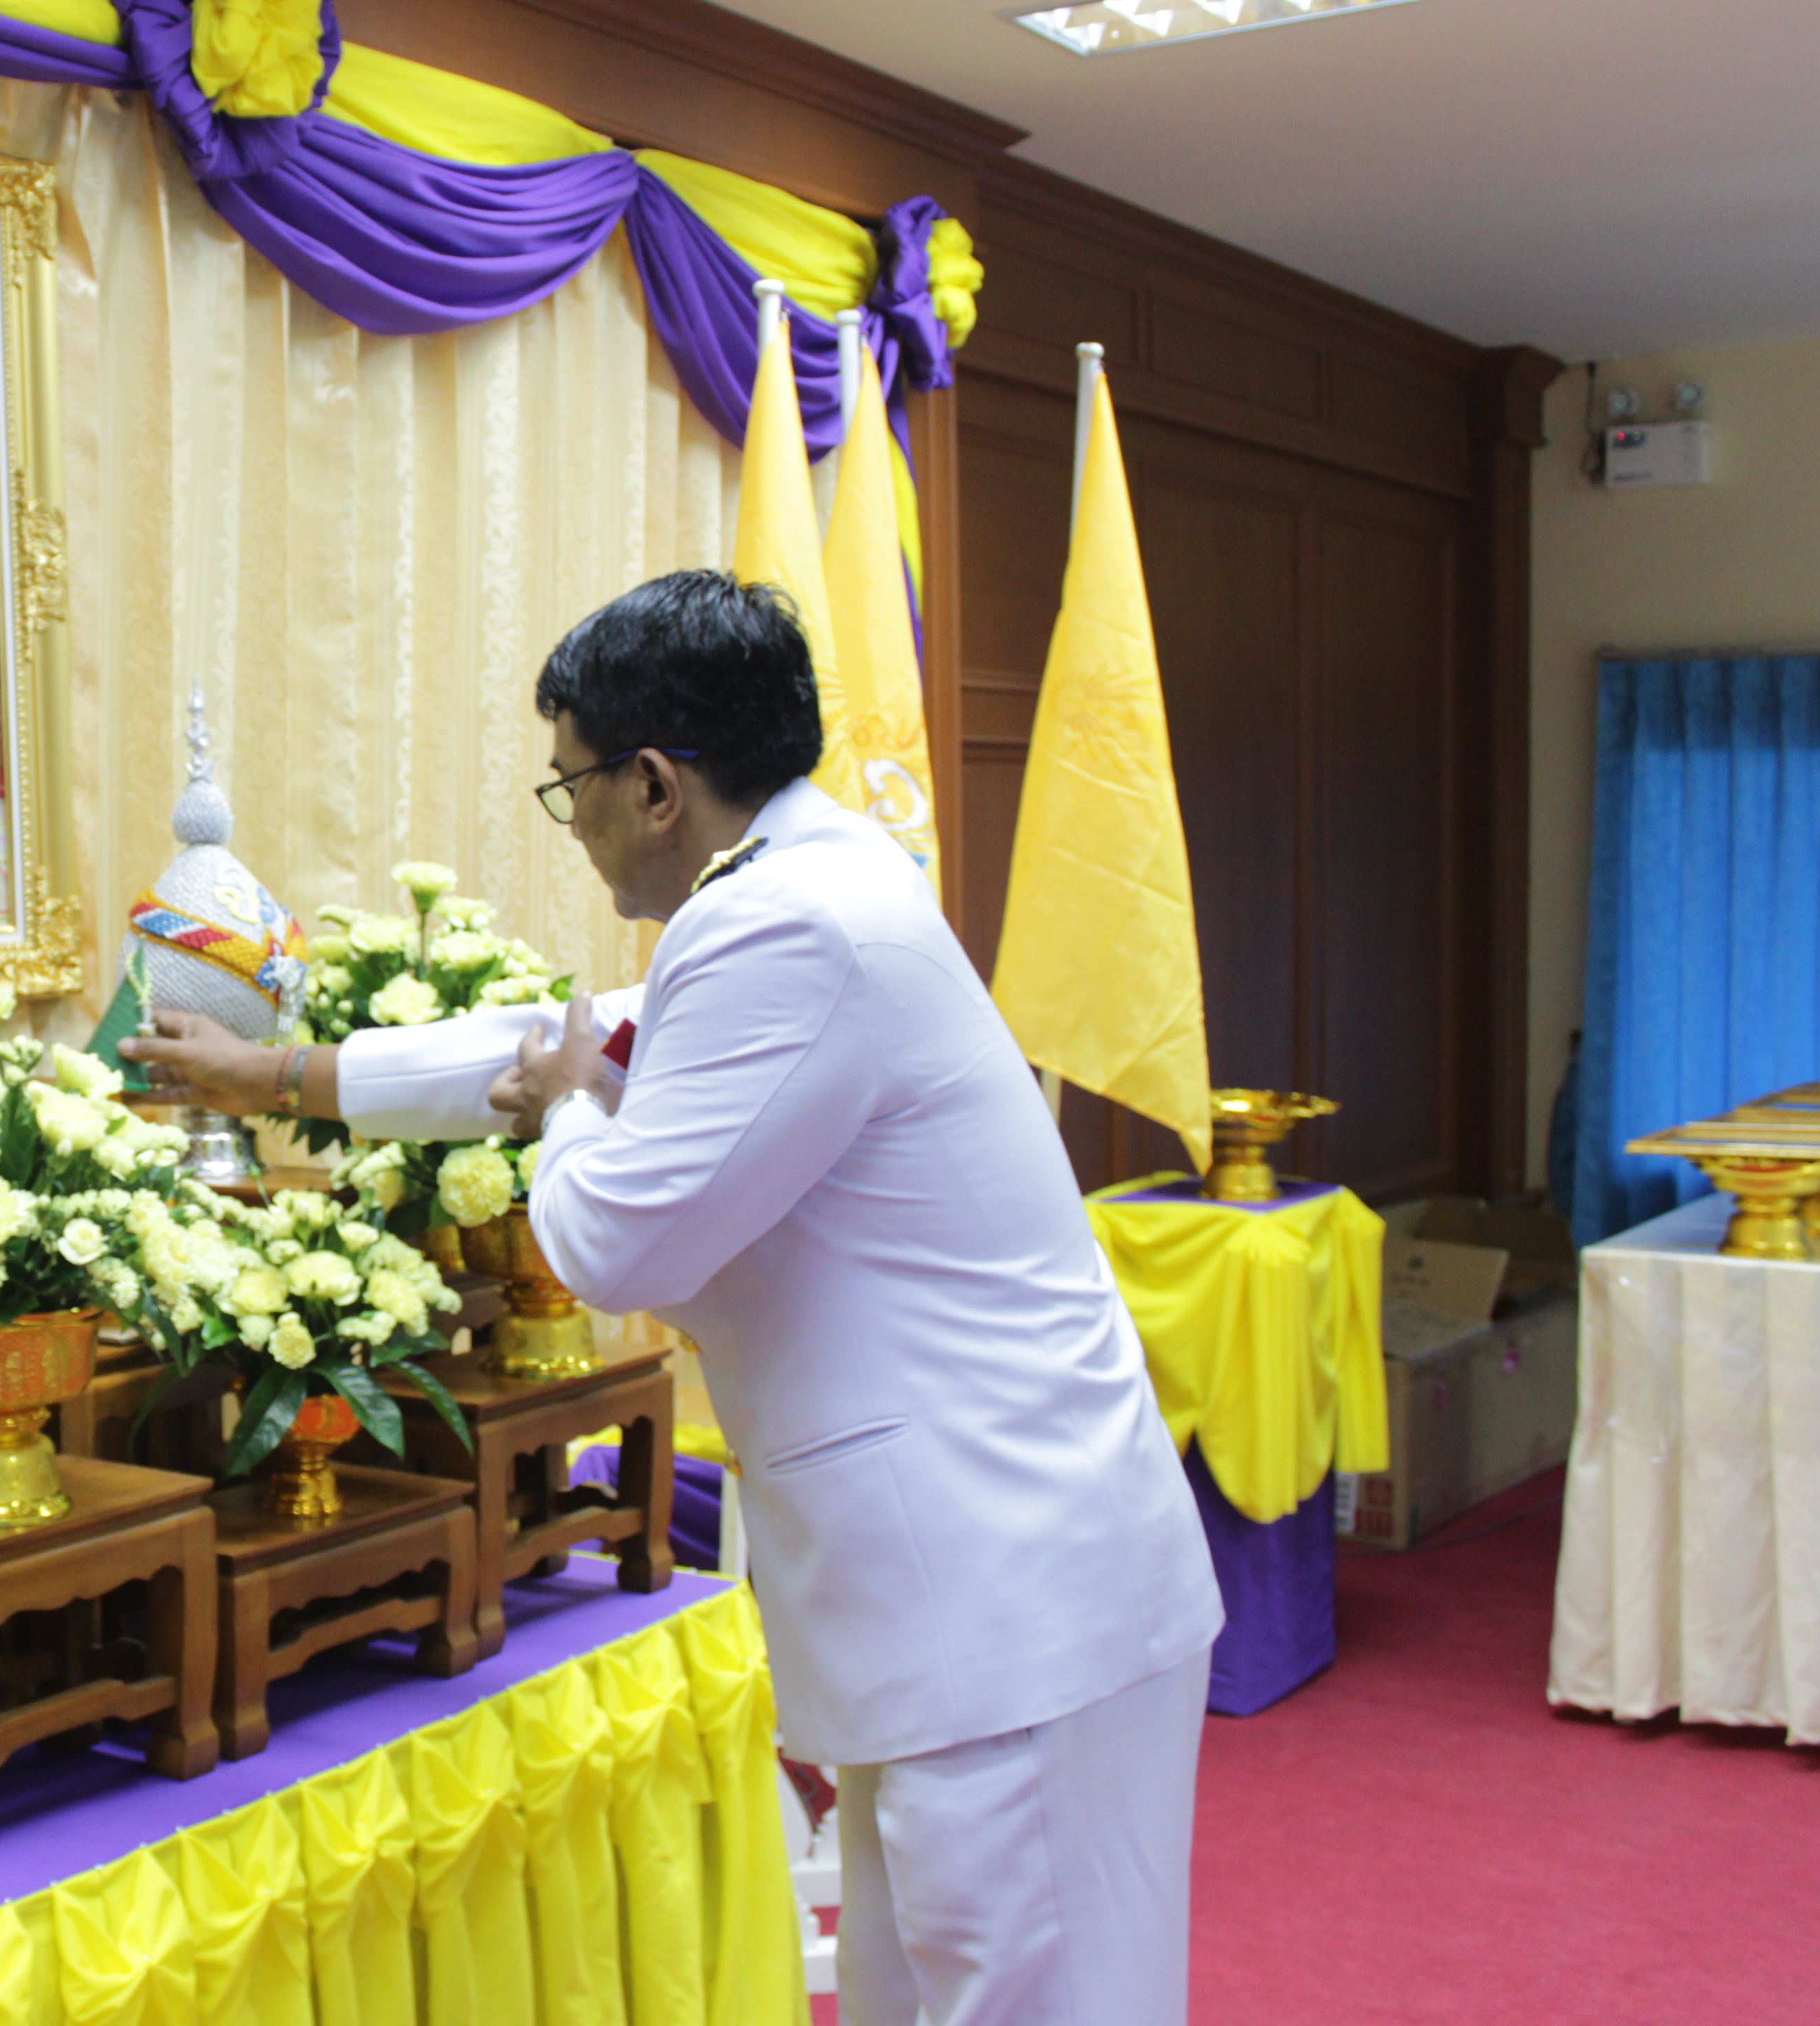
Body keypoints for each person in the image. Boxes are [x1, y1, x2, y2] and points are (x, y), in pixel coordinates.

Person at [123, 570, 1223, 2026]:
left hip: (1008, 1586)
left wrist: (572, 1111)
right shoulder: (805, 884)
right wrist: (272, 1075)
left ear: (651, 783)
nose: (567, 820)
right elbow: (561, 1040)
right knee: (934, 1991)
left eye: (567, 782)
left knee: (1024, 1997)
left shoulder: (789, 927)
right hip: (988, 1579)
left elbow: (613, 1237)